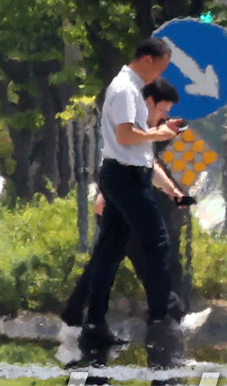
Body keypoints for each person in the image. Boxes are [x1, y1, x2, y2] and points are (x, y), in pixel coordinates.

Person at [77, 38, 188, 369]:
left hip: (125, 173)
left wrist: (158, 131)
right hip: (126, 176)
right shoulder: (126, 89)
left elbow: (133, 139)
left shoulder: (130, 89)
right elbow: (125, 136)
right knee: (157, 242)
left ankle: (95, 322)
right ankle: (162, 318)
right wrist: (159, 134)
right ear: (148, 59)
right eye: (161, 66)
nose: (160, 75)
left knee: (110, 250)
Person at [62, 78, 187, 331]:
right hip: (120, 200)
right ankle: (168, 315)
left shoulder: (141, 127)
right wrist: (104, 194)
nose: (163, 117)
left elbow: (148, 164)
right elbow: (113, 162)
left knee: (107, 258)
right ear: (149, 102)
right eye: (162, 110)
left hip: (121, 200)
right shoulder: (128, 125)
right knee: (149, 250)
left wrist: (172, 191)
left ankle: (74, 317)